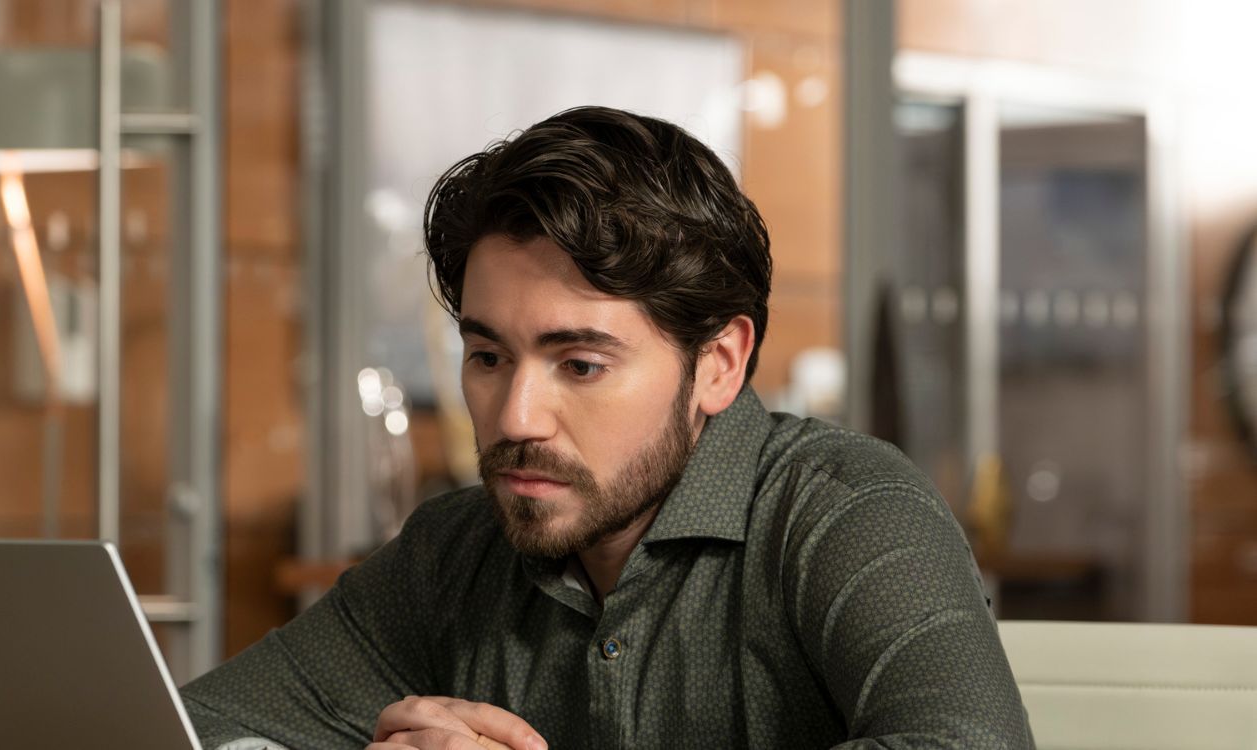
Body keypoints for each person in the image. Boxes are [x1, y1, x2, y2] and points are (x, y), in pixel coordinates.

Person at [181, 106, 1034, 749]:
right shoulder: (451, 552)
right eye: (487, 356)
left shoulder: (847, 512)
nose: (514, 418)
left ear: (719, 364)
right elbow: (189, 730)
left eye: (580, 365)